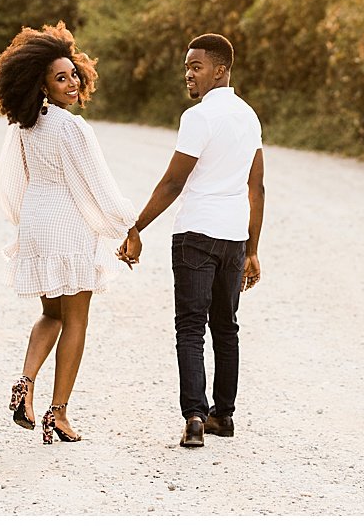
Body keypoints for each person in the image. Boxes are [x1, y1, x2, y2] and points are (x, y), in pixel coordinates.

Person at [0, 22, 139, 446]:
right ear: (41, 84)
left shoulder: (25, 126)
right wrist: (126, 226)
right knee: (76, 320)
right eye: (61, 78)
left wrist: (27, 224)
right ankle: (58, 415)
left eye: (72, 73)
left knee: (51, 314)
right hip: (67, 225)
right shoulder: (71, 128)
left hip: (37, 222)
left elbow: (14, 182)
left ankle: (26, 381)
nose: (72, 82)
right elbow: (96, 183)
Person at [117, 33, 265, 448]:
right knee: (226, 328)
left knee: (190, 328)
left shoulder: (198, 117)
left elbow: (173, 183)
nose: (188, 75)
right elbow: (258, 187)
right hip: (234, 237)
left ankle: (196, 418)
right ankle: (225, 416)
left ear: (220, 69)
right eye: (186, 68)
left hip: (196, 235)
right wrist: (252, 248)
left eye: (196, 67)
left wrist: (136, 228)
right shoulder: (248, 116)